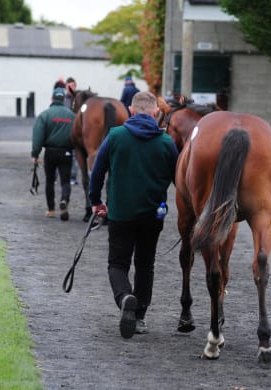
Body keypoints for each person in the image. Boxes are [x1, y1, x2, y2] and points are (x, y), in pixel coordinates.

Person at [89, 91, 178, 339]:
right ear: (156, 112)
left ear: (130, 109)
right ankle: (138, 315)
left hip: (119, 213)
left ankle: (125, 297)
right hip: (152, 215)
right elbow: (179, 180)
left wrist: (95, 201)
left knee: (118, 263)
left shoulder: (116, 136)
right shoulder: (166, 142)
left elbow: (97, 171)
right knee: (145, 265)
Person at [31, 87, 76, 221]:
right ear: (63, 99)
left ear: (52, 99)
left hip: (50, 152)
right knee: (65, 181)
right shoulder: (71, 116)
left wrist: (35, 153)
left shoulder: (45, 115)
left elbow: (38, 136)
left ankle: (51, 209)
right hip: (66, 152)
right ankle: (64, 202)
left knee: (50, 181)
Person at [64, 77, 79, 184]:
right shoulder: (62, 99)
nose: (71, 88)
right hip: (64, 131)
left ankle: (73, 177)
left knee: (74, 156)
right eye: (69, 86)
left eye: (73, 86)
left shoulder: (78, 100)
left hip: (74, 132)